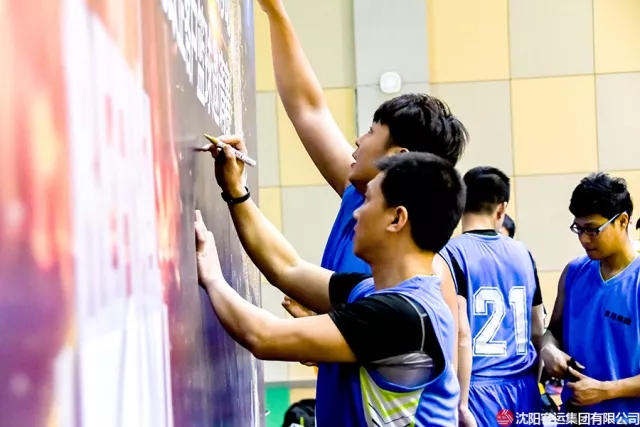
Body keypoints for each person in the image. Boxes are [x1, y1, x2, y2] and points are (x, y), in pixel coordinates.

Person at [195, 145, 465, 426]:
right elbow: (287, 268)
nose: (357, 213)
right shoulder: (382, 294)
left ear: (397, 219)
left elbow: (262, 336)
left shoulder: (402, 315)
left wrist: (212, 277)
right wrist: (236, 191)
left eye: (368, 201)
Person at [439, 167, 545, 426]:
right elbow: (537, 328)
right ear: (502, 209)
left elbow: (461, 334)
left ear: (461, 203)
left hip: (477, 391)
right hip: (524, 388)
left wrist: (461, 404)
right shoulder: (524, 254)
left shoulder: (449, 254)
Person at [540, 173, 640, 419]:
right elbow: (553, 331)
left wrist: (606, 391)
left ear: (623, 221)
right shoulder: (574, 272)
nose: (584, 239)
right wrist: (548, 349)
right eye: (579, 229)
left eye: (593, 230)